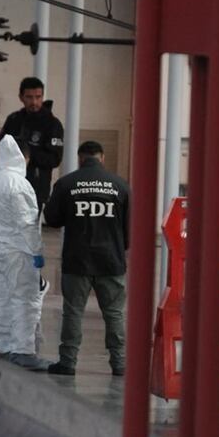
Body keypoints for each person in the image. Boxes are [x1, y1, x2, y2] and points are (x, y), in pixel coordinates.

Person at [44, 141, 130, 377]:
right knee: (114, 313)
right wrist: (118, 247)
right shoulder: (121, 186)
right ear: (102, 158)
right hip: (111, 261)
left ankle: (68, 362)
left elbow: (52, 219)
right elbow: (130, 228)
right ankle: (119, 363)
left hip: (77, 260)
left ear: (80, 158)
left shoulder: (66, 184)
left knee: (73, 312)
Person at [0, 135, 50, 369]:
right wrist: (37, 251)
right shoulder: (20, 184)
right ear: (24, 157)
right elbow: (27, 224)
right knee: (25, 300)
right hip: (17, 252)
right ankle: (23, 351)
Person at [0, 77, 65, 212]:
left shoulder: (52, 124)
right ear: (21, 97)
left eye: (38, 97)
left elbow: (54, 159)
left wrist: (26, 153)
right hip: (9, 186)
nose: (34, 102)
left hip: (35, 189)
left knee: (28, 223)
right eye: (29, 97)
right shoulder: (14, 119)